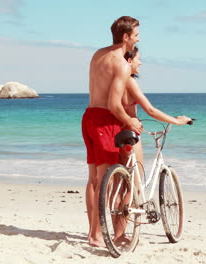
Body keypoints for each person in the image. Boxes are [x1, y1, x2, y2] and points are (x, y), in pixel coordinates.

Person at [81, 16, 143, 248]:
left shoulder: (98, 53)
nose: (138, 38)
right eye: (136, 34)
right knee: (105, 181)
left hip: (89, 117)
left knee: (94, 180)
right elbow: (114, 104)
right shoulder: (120, 62)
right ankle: (99, 234)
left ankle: (94, 232)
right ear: (126, 37)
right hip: (104, 121)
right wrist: (130, 120)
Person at [121, 46, 192, 174]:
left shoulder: (115, 81)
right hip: (129, 131)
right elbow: (150, 110)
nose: (141, 62)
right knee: (135, 186)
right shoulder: (129, 82)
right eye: (139, 59)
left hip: (114, 129)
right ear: (130, 60)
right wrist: (177, 121)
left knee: (118, 181)